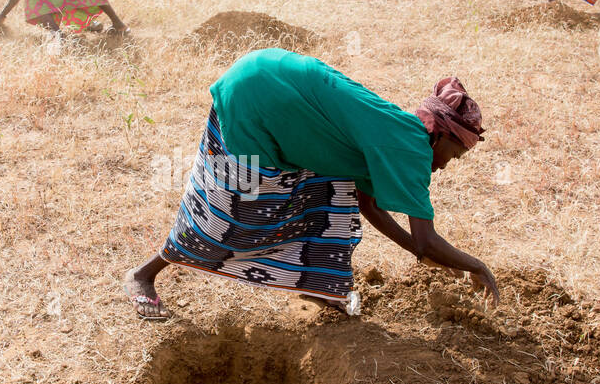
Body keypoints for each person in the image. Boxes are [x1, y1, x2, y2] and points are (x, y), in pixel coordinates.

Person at [122, 48, 498, 320]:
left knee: (331, 199)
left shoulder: (400, 133)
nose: (449, 165)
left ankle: (315, 285)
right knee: (230, 216)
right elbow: (425, 240)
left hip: (265, 76)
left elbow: (369, 206)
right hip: (255, 102)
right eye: (456, 154)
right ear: (440, 136)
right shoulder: (411, 150)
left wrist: (426, 256)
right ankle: (143, 274)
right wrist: (477, 266)